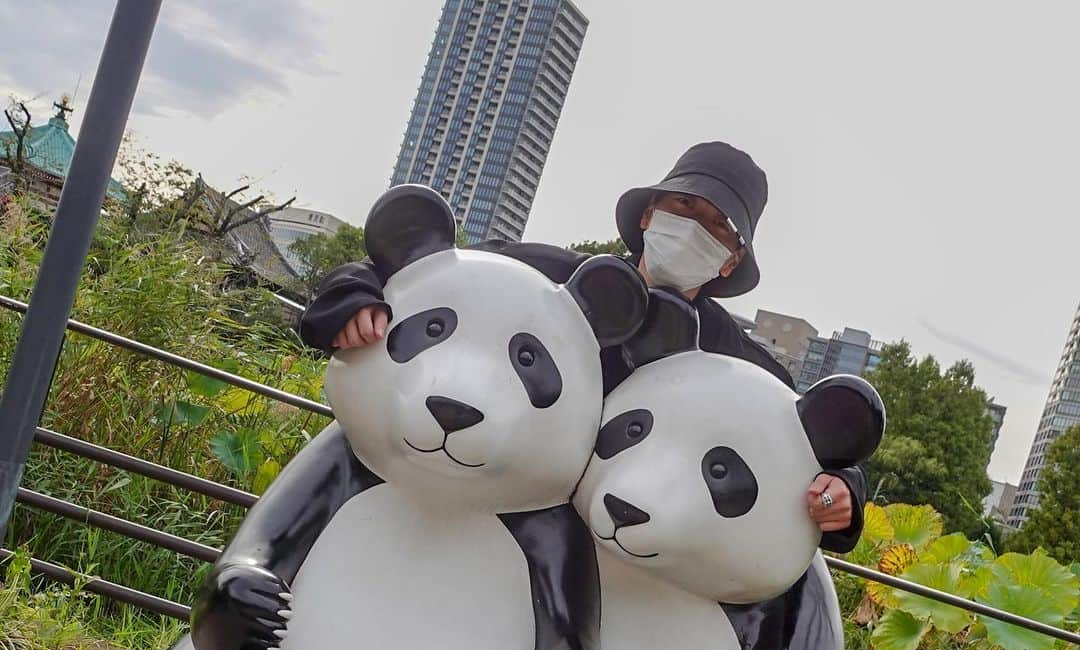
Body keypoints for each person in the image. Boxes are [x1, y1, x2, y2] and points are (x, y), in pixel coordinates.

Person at [297, 142, 866, 551]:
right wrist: (355, 303)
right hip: (478, 502)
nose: (696, 227)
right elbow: (409, 272)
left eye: (719, 227)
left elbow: (810, 437)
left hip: (605, 547)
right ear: (650, 213)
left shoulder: (733, 361)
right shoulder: (544, 278)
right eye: (685, 207)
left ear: (731, 259)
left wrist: (843, 490)